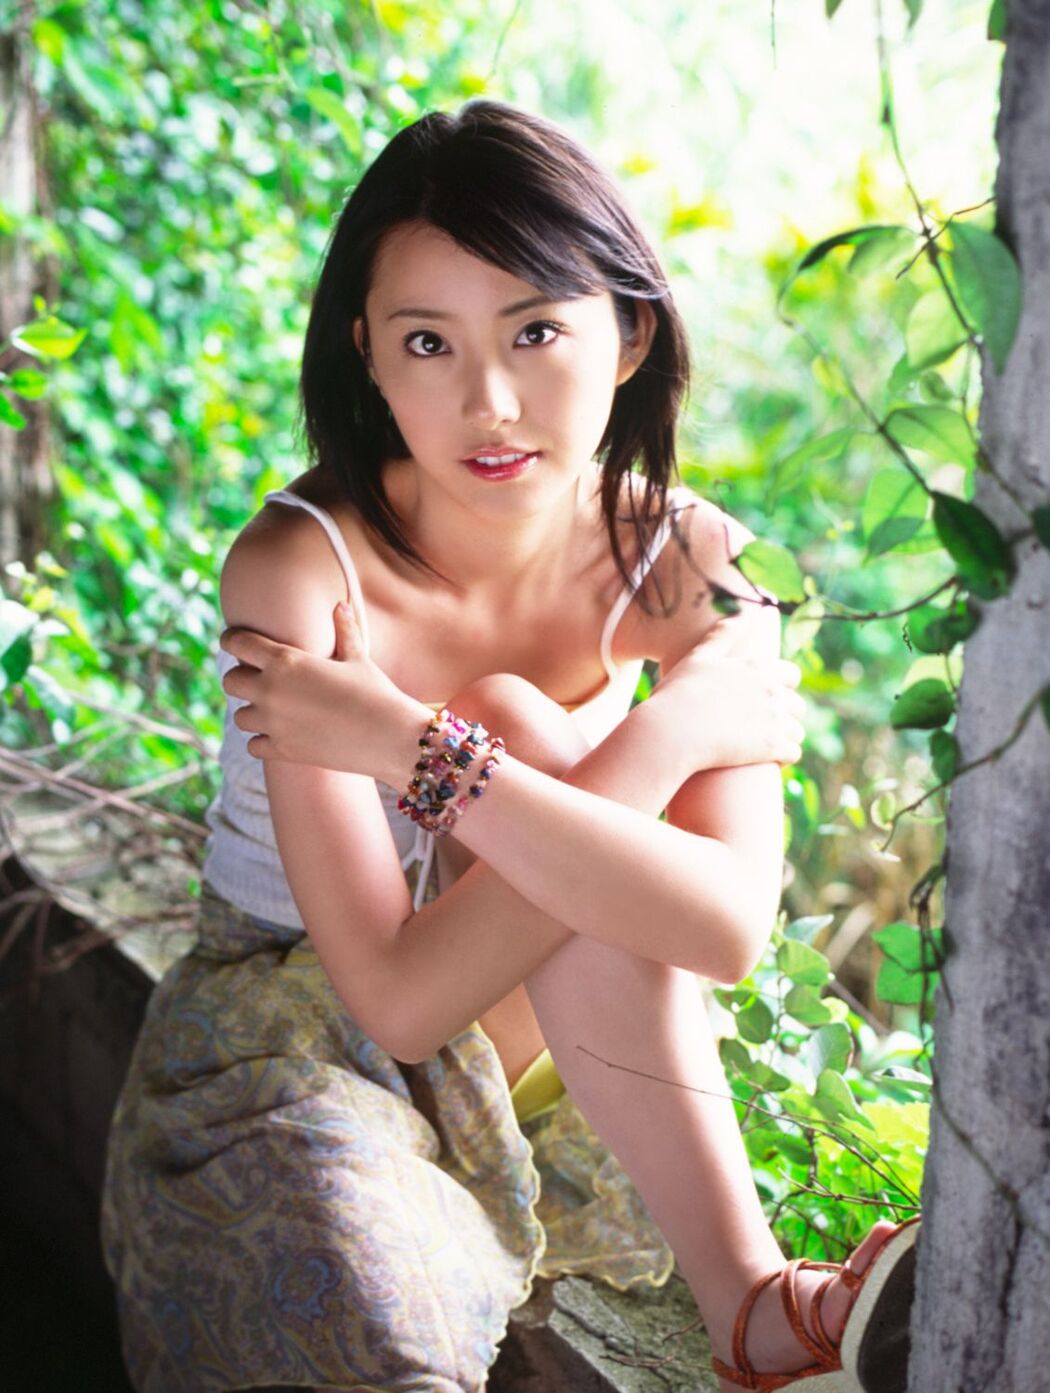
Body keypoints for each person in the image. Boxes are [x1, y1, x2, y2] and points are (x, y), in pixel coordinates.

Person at [100, 99, 920, 1393]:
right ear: (367, 354)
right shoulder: (296, 571)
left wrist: (411, 741)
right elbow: (398, 1000)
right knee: (364, 1312)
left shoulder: (695, 562)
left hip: (542, 1032)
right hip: (297, 1030)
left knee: (516, 725)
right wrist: (656, 733)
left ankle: (750, 1303)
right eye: (427, 342)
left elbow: (724, 929)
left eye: (536, 330)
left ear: (630, 332)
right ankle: (756, 1310)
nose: (489, 403)